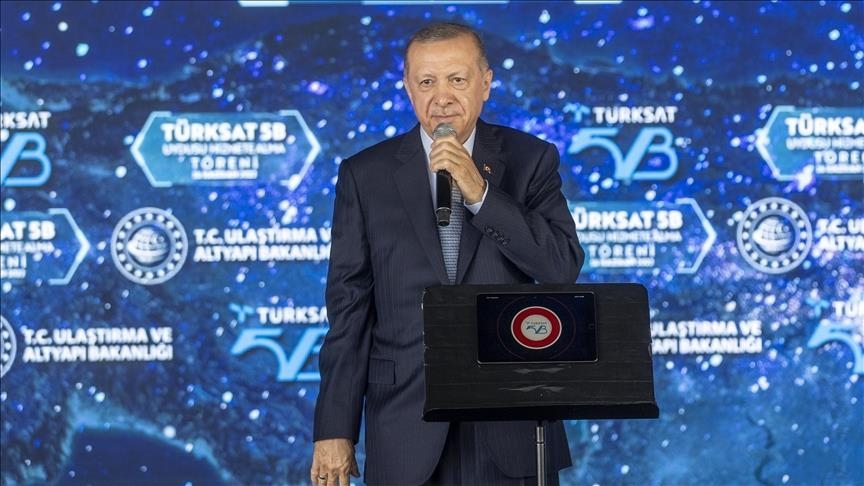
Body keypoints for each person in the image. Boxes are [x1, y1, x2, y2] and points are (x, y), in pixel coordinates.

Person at [311, 22, 584, 486]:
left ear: (485, 83)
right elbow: (349, 310)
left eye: (457, 79)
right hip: (405, 426)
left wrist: (481, 194)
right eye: (426, 82)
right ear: (407, 88)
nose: (442, 97)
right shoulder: (364, 175)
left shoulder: (532, 159)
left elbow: (561, 265)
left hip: (510, 424)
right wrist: (335, 429)